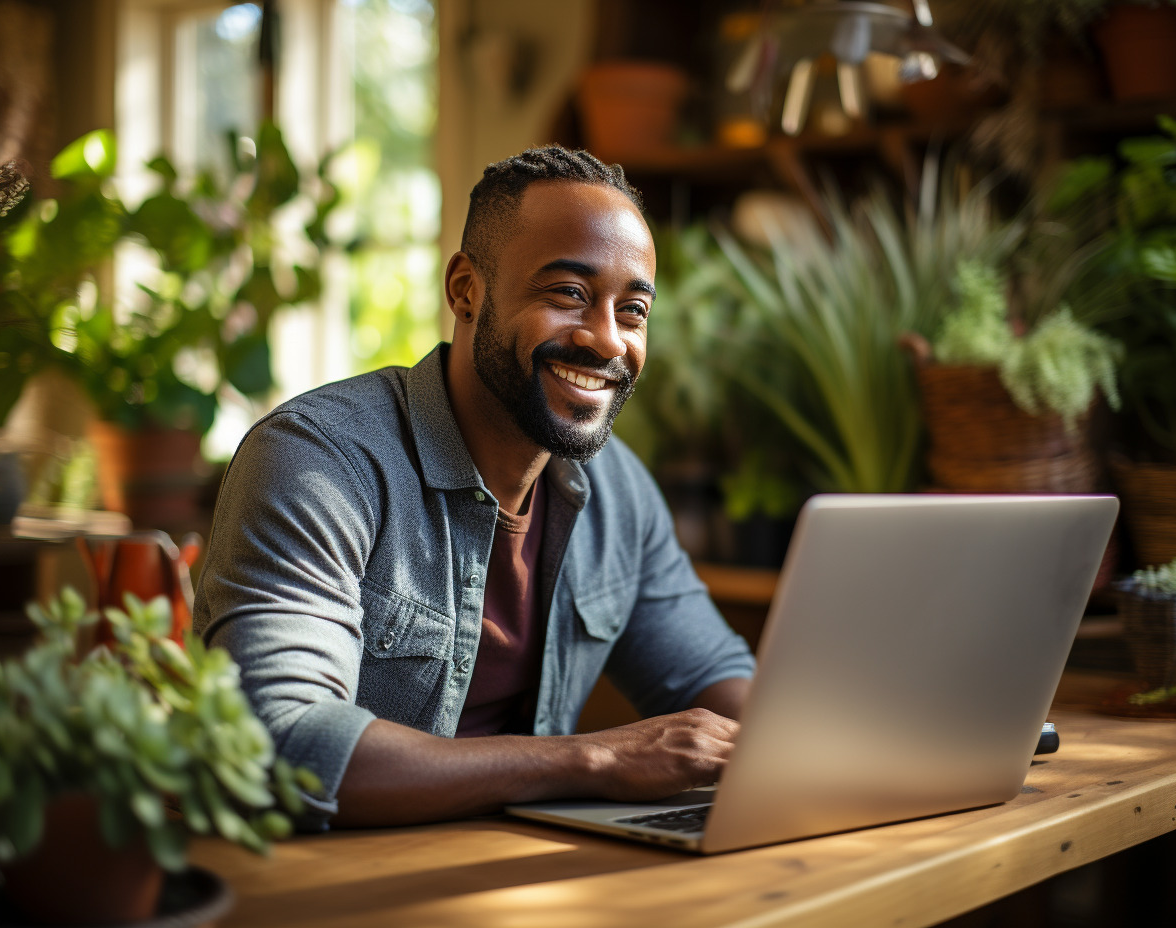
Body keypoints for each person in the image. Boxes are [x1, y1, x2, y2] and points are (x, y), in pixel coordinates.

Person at [193, 146, 755, 829]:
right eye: (568, 294)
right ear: (466, 290)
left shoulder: (619, 492)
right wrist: (592, 760)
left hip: (524, 881)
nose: (607, 340)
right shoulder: (319, 460)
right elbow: (283, 740)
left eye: (632, 311)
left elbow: (719, 681)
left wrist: (825, 738)